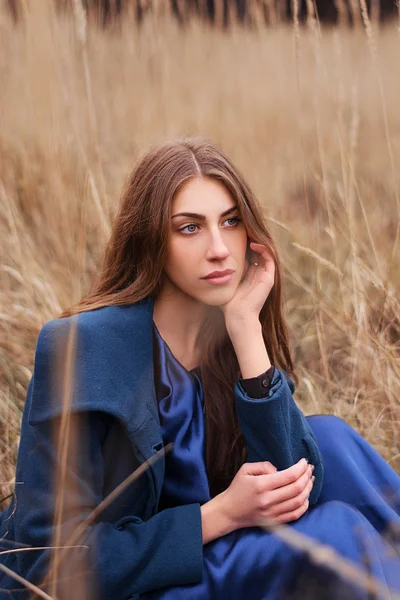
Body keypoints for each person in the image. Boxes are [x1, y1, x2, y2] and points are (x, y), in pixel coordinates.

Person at [0, 137, 399, 600]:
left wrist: (247, 330)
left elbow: (293, 483)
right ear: (152, 240)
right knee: (336, 532)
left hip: (208, 555)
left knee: (332, 441)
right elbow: (46, 561)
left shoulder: (231, 333)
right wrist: (222, 514)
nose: (219, 249)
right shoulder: (80, 346)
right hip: (136, 585)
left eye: (230, 221)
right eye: (189, 228)